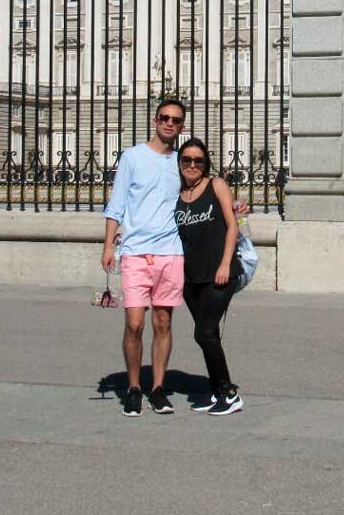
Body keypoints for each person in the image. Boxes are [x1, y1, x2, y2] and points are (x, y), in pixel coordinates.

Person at [101, 99, 186, 417]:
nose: (169, 123)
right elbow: (116, 202)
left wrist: (234, 208)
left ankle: (158, 388)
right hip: (136, 252)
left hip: (171, 253)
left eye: (176, 120)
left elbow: (202, 194)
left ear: (182, 126)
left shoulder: (182, 162)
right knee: (134, 324)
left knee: (162, 322)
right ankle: (134, 386)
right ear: (155, 120)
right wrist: (109, 244)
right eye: (164, 117)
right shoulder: (133, 157)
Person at [174, 138, 244, 416]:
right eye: (187, 160)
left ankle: (229, 392)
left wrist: (225, 264)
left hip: (220, 273)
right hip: (190, 277)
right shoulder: (176, 193)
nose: (192, 165)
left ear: (206, 164)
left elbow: (232, 226)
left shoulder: (216, 185)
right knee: (209, 334)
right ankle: (218, 391)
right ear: (179, 163)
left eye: (198, 161)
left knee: (203, 332)